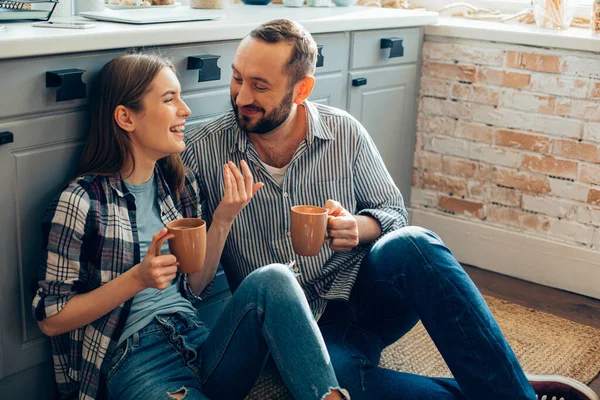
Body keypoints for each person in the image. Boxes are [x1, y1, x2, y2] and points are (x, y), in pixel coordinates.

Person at [181, 19, 599, 400]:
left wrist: (357, 227)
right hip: (302, 327)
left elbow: (393, 214)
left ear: (302, 89)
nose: (241, 96)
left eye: (260, 85)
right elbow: (194, 282)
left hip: (366, 292)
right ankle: (510, 390)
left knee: (414, 244)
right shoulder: (205, 151)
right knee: (343, 386)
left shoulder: (343, 131)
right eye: (237, 79)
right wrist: (223, 218)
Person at [32, 53, 350, 400]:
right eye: (169, 100)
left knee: (275, 278)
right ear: (125, 117)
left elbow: (195, 286)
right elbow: (51, 317)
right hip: (135, 358)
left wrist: (225, 216)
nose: (185, 111)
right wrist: (137, 279)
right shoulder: (81, 201)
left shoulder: (178, 186)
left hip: (196, 338)